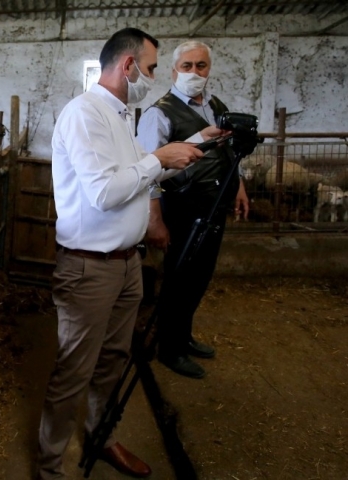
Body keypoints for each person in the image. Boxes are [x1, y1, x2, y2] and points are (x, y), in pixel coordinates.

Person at [37, 28, 222, 480]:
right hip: (89, 267)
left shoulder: (120, 115)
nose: (154, 77)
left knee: (113, 361)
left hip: (125, 265)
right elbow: (104, 192)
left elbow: (138, 171)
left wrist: (192, 143)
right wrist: (159, 159)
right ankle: (51, 465)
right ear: (128, 65)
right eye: (153, 67)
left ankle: (102, 437)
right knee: (74, 371)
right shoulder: (85, 114)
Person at [136, 41, 250, 379]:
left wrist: (238, 186)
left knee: (200, 277)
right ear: (174, 71)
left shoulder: (216, 106)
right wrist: (155, 220)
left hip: (214, 204)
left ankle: (183, 337)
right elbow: (148, 171)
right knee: (179, 277)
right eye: (187, 66)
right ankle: (169, 349)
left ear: (209, 69)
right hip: (182, 206)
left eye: (201, 66)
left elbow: (230, 151)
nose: (194, 72)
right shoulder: (160, 112)